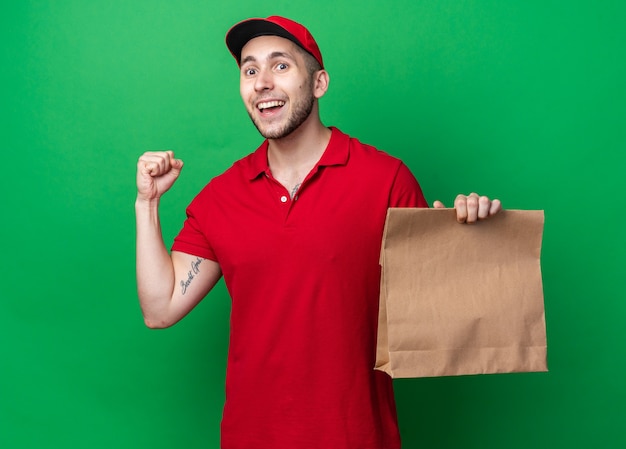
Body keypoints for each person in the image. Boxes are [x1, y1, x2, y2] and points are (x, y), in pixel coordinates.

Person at [135, 16, 501, 449]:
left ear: (320, 83)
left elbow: (438, 315)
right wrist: (148, 204)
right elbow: (160, 308)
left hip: (358, 436)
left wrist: (470, 238)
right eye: (250, 71)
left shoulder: (386, 180)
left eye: (281, 66)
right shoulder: (221, 197)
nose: (262, 83)